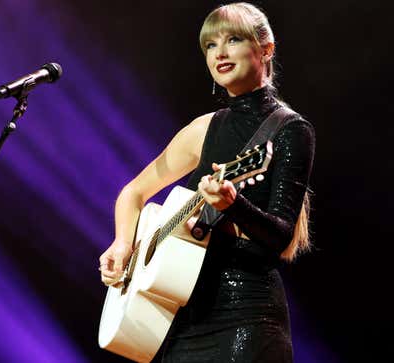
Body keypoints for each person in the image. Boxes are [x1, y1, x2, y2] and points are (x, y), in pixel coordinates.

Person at [99, 2, 314, 362]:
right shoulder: (203, 128)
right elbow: (133, 193)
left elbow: (279, 235)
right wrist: (122, 245)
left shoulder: (291, 130)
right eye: (210, 45)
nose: (220, 52)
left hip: (246, 315)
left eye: (233, 39)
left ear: (266, 49)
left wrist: (233, 204)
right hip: (181, 320)